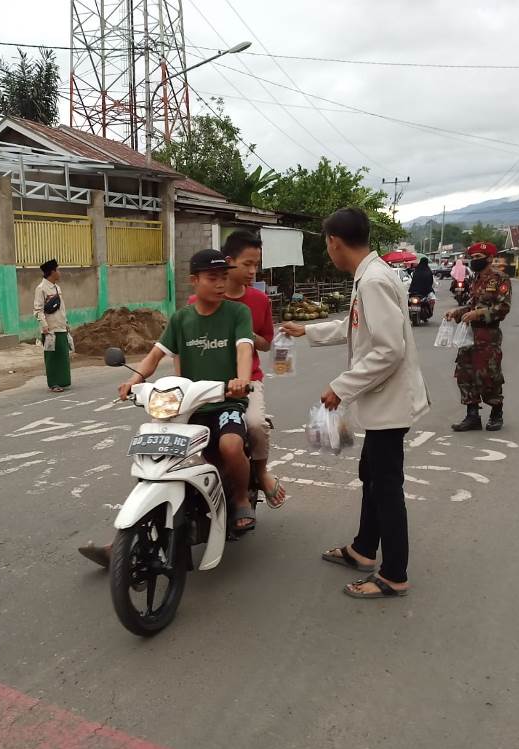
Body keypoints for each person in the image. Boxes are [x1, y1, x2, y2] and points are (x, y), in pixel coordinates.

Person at [282, 207, 430, 600]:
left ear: (333, 241)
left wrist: (340, 387)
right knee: (372, 474)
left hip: (389, 402)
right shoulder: (370, 274)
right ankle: (364, 548)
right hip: (384, 402)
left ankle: (394, 573)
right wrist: (307, 330)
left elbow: (387, 350)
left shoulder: (373, 281)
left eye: (326, 242)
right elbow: (356, 327)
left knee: (386, 486)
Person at [78, 249, 254, 568]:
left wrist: (241, 381)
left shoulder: (237, 314)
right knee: (158, 459)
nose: (220, 284)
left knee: (230, 445)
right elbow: (156, 354)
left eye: (223, 278)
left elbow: (244, 349)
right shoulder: (181, 319)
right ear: (194, 281)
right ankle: (121, 543)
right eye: (212, 278)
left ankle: (241, 498)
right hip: (187, 406)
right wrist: (134, 379)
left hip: (226, 402)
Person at [190, 231, 286, 509]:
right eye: (247, 264)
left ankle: (261, 472)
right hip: (205, 383)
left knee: (255, 424)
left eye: (257, 264)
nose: (252, 271)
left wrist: (244, 333)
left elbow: (267, 344)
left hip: (247, 381)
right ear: (229, 262)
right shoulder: (197, 303)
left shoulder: (258, 301)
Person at [445, 242, 511, 432]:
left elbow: (503, 308)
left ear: (489, 258)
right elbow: (471, 305)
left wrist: (480, 314)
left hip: (488, 334)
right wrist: (456, 312)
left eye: (478, 258)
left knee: (489, 374)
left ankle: (496, 413)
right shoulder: (475, 279)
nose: (474, 261)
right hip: (469, 333)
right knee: (464, 372)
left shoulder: (500, 279)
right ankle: (472, 414)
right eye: (472, 258)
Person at [34, 259, 70, 393]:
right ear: (52, 272)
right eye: (58, 270)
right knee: (52, 358)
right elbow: (38, 310)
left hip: (60, 326)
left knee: (62, 355)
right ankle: (54, 383)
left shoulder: (57, 287)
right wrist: (44, 325)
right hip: (50, 329)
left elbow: (62, 309)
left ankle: (63, 381)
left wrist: (66, 323)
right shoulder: (41, 288)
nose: (60, 273)